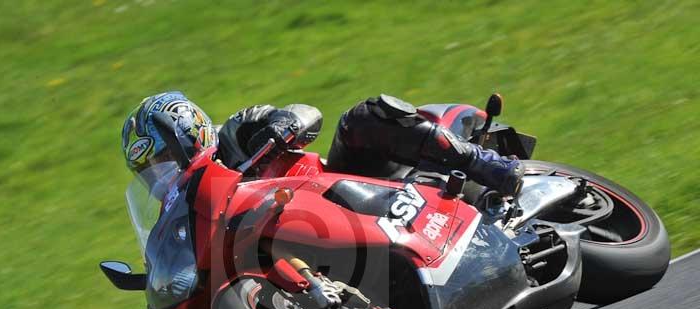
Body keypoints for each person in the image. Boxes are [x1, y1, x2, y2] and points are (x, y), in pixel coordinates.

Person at [121, 91, 523, 195]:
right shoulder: (191, 209)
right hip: (318, 240)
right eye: (149, 173)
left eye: (161, 162)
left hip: (347, 187)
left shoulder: (236, 132)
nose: (160, 178)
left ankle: (484, 163)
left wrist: (283, 125)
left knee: (360, 119)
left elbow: (306, 112)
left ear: (188, 134)